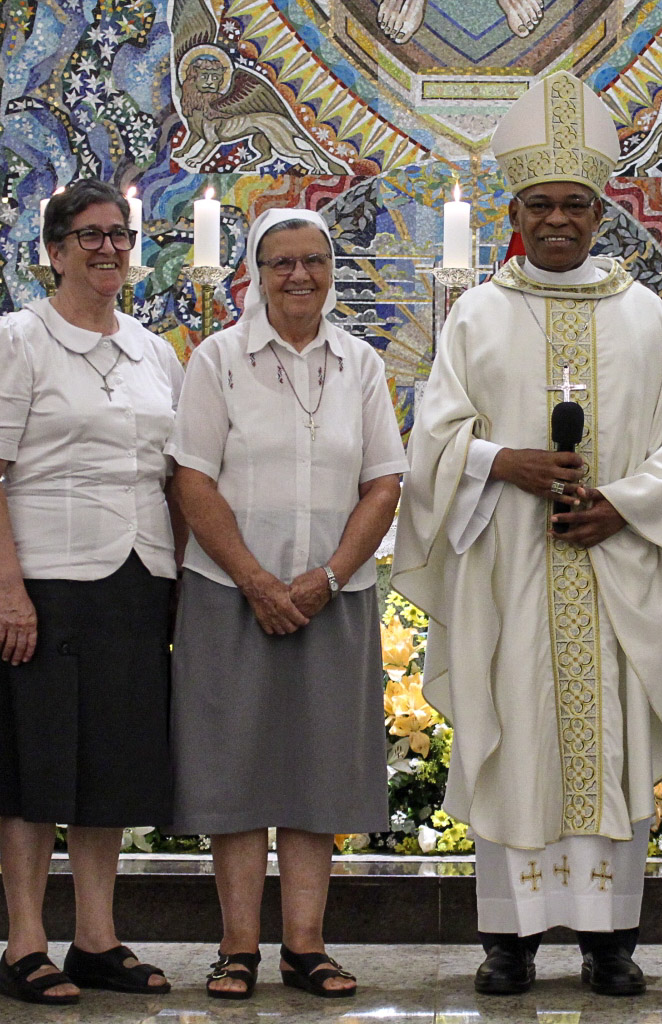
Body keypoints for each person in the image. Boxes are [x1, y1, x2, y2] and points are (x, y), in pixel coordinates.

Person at [394, 70, 662, 997]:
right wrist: (503, 462)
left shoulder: (646, 317)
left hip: (616, 570)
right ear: (514, 213)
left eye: (574, 204)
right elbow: (433, 439)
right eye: (541, 205)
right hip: (511, 570)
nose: (558, 219)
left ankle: (611, 941)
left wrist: (623, 506)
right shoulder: (477, 315)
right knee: (513, 733)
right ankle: (509, 939)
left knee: (611, 744)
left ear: (601, 214)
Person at [0, 179, 185, 1005]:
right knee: (34, 765)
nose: (109, 248)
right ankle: (24, 943)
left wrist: (177, 581)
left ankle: (95, 938)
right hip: (43, 583)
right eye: (90, 235)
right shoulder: (19, 339)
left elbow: (174, 477)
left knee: (108, 766)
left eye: (120, 234)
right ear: (54, 251)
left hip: (135, 579)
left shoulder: (155, 352)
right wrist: (8, 590)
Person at [169, 208, 407, 999]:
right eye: (281, 262)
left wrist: (328, 577)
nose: (299, 275)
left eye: (313, 260)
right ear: (255, 272)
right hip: (230, 594)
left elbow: (383, 482)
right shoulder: (218, 360)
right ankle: (237, 946)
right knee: (233, 768)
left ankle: (306, 946)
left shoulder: (359, 364)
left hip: (333, 598)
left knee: (318, 770)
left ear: (331, 270)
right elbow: (192, 480)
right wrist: (257, 581)